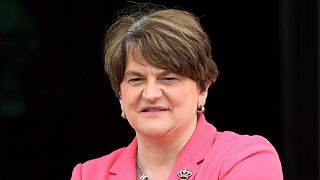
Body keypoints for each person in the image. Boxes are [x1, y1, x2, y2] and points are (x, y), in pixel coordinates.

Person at [71, 3, 283, 180]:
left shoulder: (246, 158)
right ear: (120, 94)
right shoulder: (88, 174)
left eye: (168, 78)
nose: (151, 93)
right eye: (136, 80)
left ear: (203, 88)